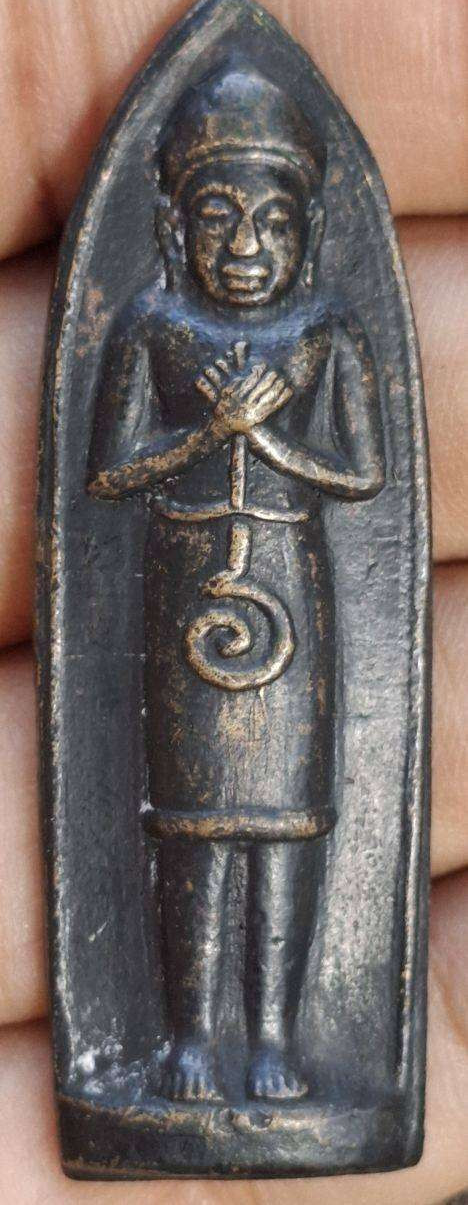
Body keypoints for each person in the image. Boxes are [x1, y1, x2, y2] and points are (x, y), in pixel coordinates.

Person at [88, 63, 384, 1102]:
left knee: (288, 821)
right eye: (218, 218)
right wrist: (210, 431)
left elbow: (364, 474)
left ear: (311, 229)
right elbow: (110, 473)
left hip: (293, 584)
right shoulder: (153, 328)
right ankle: (186, 1041)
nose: (246, 247)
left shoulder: (327, 332)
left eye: (272, 222)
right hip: (185, 580)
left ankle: (272, 1041)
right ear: (175, 228)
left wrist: (265, 436)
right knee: (189, 821)